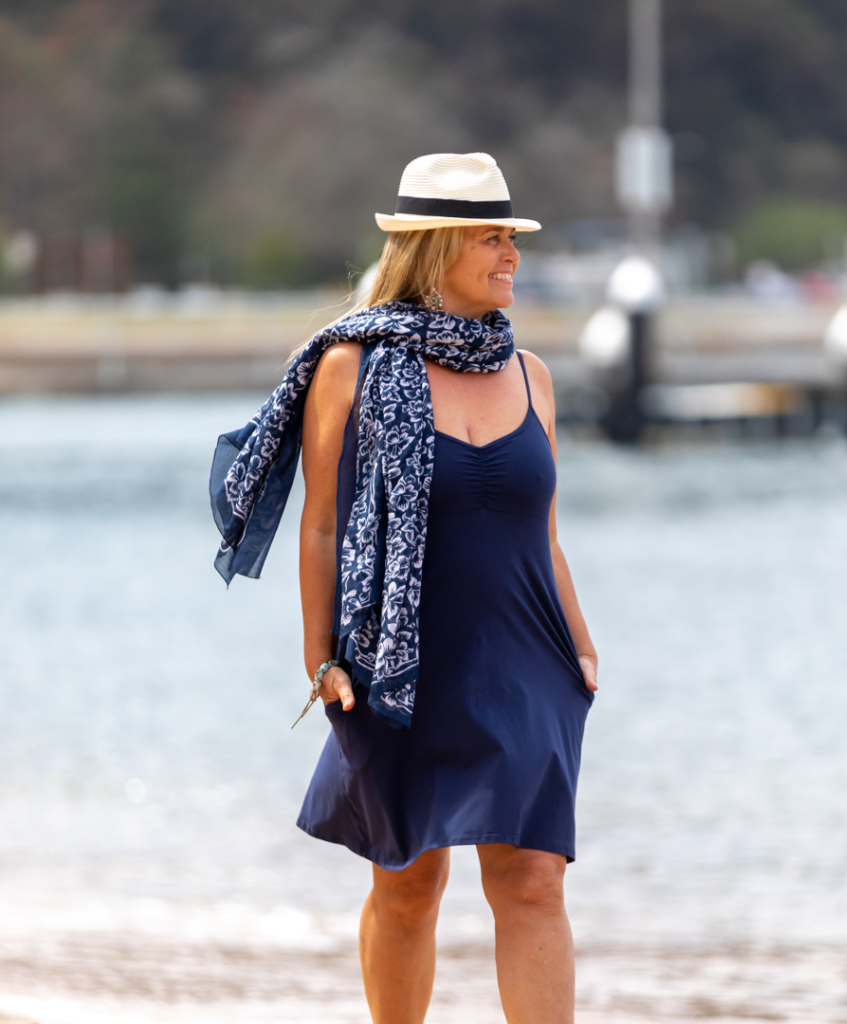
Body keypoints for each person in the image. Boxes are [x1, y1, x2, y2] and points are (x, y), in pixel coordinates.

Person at [210, 152, 598, 1024]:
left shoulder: (531, 374)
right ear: (437, 249)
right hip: (398, 660)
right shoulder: (352, 368)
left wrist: (579, 643)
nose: (512, 256)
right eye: (492, 239)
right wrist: (320, 656)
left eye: (512, 237)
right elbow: (320, 524)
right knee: (409, 882)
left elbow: (544, 531)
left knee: (533, 880)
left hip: (528, 657)